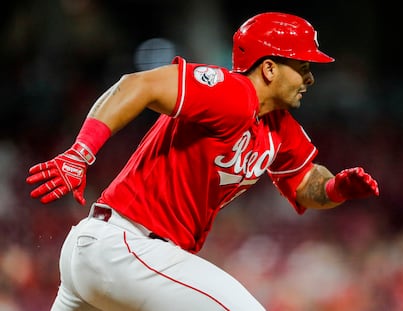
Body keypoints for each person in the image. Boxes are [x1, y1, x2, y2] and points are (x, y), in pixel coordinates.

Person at [26, 12, 379, 311]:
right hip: (125, 246)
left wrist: (336, 188)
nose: (310, 77)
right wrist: (80, 153)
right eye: (302, 66)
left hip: (110, 255)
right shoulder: (231, 93)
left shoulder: (279, 127)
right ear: (269, 69)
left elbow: (304, 184)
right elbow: (137, 85)